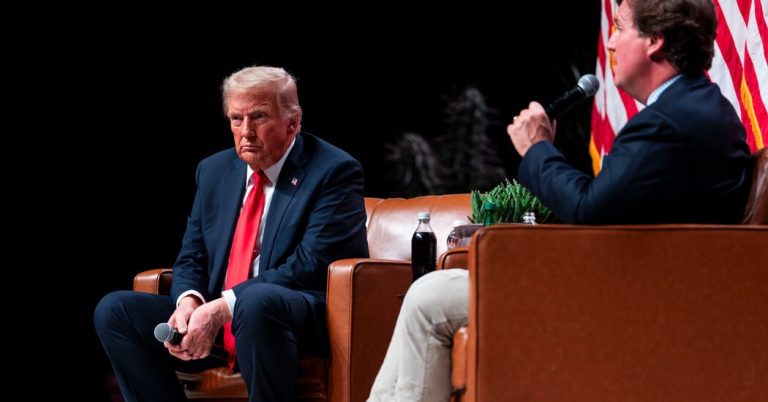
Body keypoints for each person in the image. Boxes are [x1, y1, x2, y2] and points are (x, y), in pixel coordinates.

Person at [367, 0, 753, 401]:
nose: (611, 43)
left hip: (636, 300)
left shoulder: (667, 124)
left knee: (429, 299)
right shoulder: (701, 109)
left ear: (655, 41)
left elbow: (589, 210)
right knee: (431, 289)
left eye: (620, 28)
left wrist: (537, 149)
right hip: (646, 287)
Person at [95, 65, 369, 402]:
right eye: (236, 119)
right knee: (115, 310)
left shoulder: (333, 170)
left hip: (292, 315)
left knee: (255, 301)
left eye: (259, 117)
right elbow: (193, 254)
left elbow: (310, 265)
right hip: (223, 312)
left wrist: (223, 307)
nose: (246, 132)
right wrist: (190, 302)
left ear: (293, 123)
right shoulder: (214, 170)